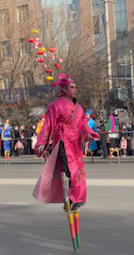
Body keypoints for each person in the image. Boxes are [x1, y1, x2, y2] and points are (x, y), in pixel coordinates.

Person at [33, 73, 100, 211]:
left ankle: (77, 198)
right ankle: (70, 198)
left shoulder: (79, 108)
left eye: (75, 87)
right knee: (70, 170)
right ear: (64, 90)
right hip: (63, 142)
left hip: (76, 143)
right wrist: (41, 143)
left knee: (78, 170)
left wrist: (89, 133)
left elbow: (83, 124)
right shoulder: (55, 106)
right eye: (72, 87)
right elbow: (48, 125)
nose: (75, 90)